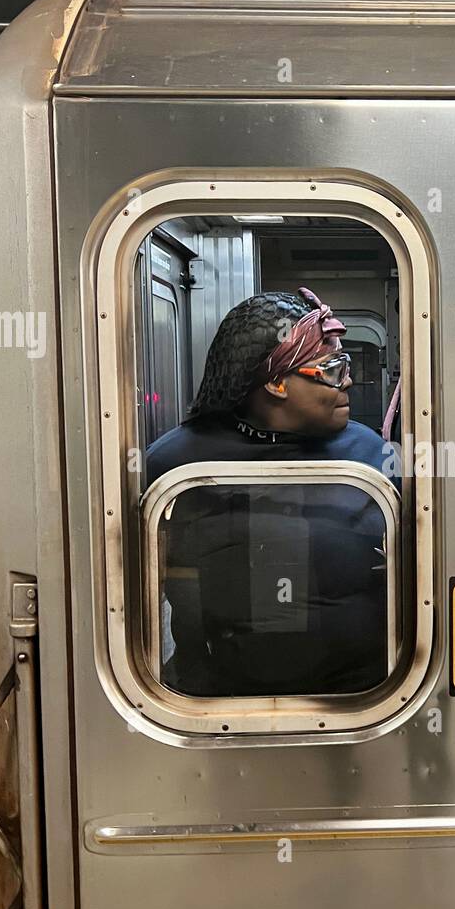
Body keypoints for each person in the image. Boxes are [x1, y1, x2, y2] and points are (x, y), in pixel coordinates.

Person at [145, 288, 391, 697]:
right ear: (276, 383)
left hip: (361, 699)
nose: (347, 379)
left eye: (344, 364)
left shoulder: (370, 455)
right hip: (211, 703)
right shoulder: (174, 463)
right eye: (330, 369)